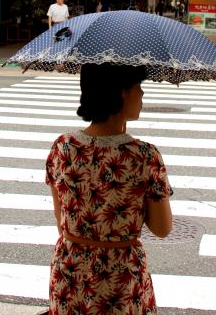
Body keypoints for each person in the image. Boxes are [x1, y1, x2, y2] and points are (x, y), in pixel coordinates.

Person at [45, 63, 173, 315]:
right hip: (120, 280)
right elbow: (162, 228)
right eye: (139, 87)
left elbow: (62, 220)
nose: (143, 95)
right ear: (122, 92)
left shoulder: (62, 147)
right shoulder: (144, 156)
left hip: (70, 275)